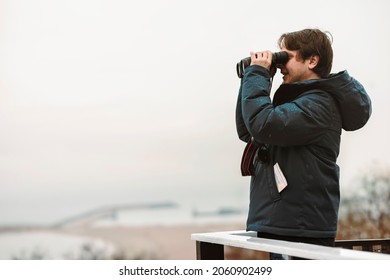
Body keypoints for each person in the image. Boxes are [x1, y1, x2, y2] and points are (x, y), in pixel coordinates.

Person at [235, 28, 372, 259]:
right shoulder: (299, 102)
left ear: (312, 60)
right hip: (285, 223)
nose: (280, 65)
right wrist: (255, 77)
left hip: (301, 227)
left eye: (285, 56)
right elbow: (249, 131)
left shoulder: (319, 105)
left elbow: (263, 125)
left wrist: (257, 74)